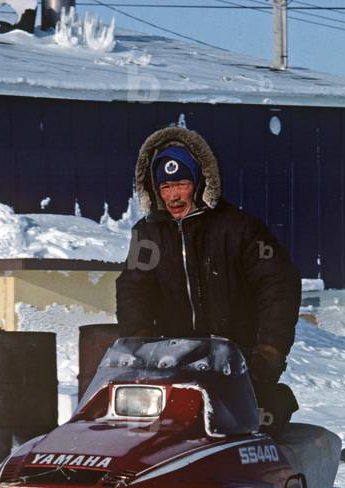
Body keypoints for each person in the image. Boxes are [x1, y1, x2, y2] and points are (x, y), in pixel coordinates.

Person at [116, 126, 302, 435]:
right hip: (171, 367)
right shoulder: (148, 235)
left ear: (201, 181)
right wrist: (138, 340)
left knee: (243, 432)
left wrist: (269, 351)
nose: (173, 195)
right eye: (165, 187)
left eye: (181, 183)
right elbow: (134, 288)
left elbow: (278, 287)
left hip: (238, 368)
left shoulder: (238, 229)